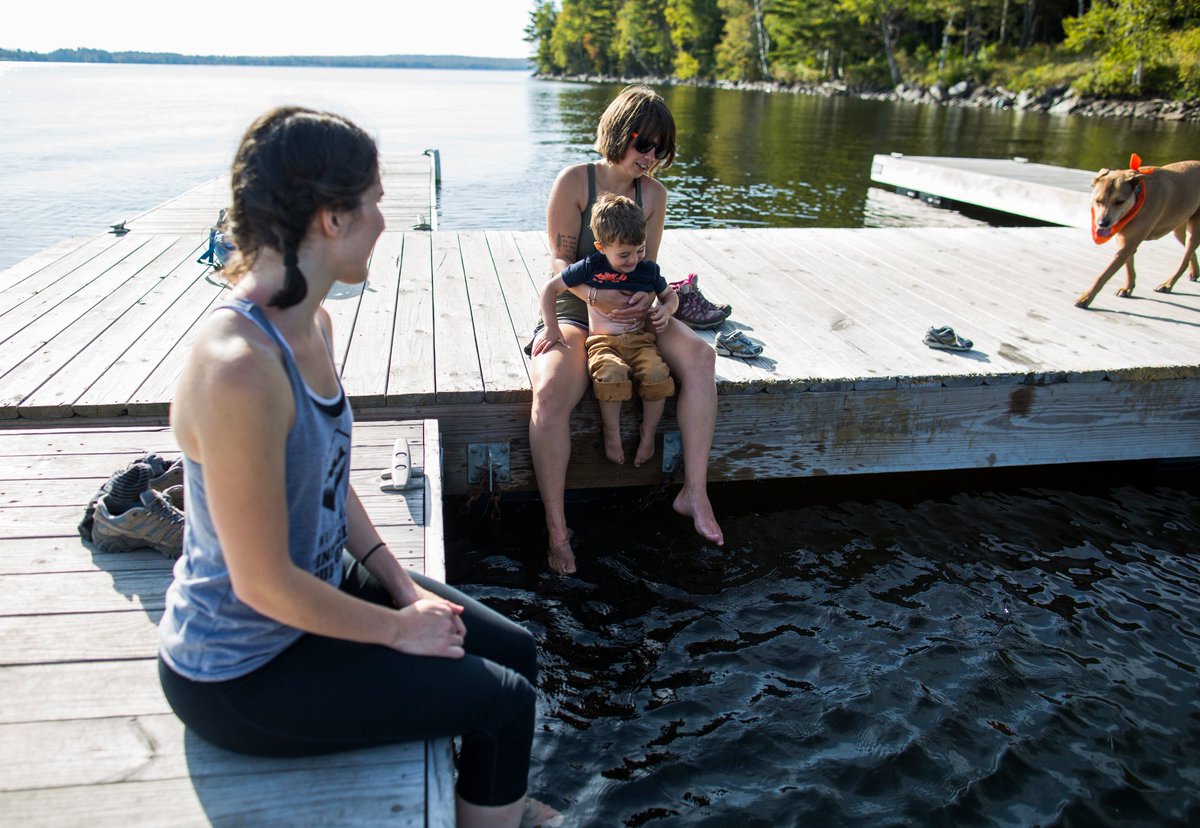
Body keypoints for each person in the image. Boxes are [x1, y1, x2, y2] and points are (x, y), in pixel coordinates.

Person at [157, 107, 560, 828]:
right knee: (505, 702)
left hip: (314, 593)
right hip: (240, 670)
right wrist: (401, 632)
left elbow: (329, 483)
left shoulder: (314, 324)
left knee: (516, 653)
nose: (383, 219)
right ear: (331, 219)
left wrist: (403, 591)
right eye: (374, 201)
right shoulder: (238, 371)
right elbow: (260, 584)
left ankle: (494, 801)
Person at [530, 84, 725, 575]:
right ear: (619, 133)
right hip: (580, 304)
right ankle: (558, 532)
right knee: (551, 389)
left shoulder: (654, 195)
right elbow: (559, 261)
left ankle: (694, 494)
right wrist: (595, 297)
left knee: (702, 358)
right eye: (644, 143)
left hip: (635, 311)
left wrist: (656, 304)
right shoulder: (575, 181)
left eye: (662, 149)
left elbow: (648, 266)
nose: (652, 157)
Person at [535, 193, 678, 469]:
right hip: (603, 342)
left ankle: (647, 434)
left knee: (658, 376)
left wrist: (666, 310)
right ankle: (612, 432)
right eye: (624, 254)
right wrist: (551, 327)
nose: (633, 259)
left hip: (641, 341)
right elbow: (549, 289)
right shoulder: (591, 267)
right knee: (610, 374)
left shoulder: (647, 270)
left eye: (640, 250)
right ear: (601, 247)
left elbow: (671, 297)